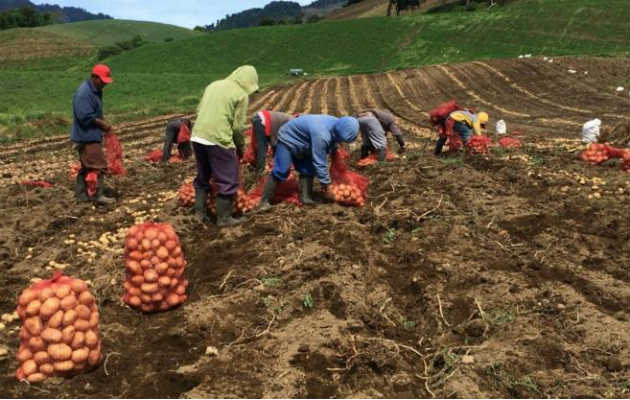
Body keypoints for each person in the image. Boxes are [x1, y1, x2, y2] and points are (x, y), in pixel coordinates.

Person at [191, 65, 259, 227]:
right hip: (218, 138)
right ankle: (224, 218)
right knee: (227, 179)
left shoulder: (213, 85)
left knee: (203, 176)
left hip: (198, 135)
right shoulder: (241, 94)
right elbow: (237, 127)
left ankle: (199, 214)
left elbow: (199, 109)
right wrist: (240, 148)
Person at [258, 115, 359, 210]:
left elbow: (332, 141)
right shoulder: (321, 134)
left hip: (305, 142)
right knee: (282, 170)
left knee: (307, 169)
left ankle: (305, 197)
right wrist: (326, 185)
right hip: (287, 139)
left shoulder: (338, 124)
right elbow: (319, 162)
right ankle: (264, 201)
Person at [70, 64, 115, 205]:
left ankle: (81, 195)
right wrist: (103, 124)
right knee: (98, 165)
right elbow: (85, 117)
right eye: (102, 81)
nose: (104, 84)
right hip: (86, 136)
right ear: (93, 77)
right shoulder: (84, 94)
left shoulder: (95, 90)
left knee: (86, 166)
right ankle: (97, 196)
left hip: (90, 134)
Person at [251, 110, 295, 176]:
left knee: (263, 147)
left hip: (260, 118)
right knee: (262, 147)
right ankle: (260, 172)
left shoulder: (291, 120)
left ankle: (261, 168)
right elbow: (281, 142)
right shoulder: (292, 122)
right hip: (262, 120)